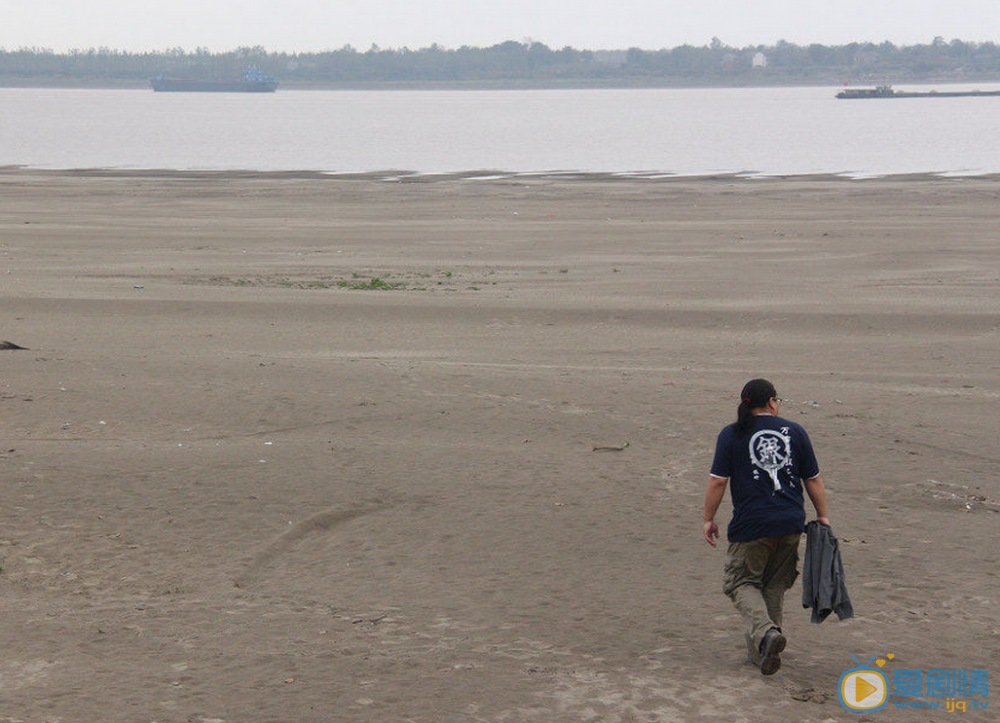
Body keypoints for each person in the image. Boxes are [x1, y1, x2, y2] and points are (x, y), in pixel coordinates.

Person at [702, 378, 830, 675]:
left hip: (752, 524)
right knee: (774, 584)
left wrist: (708, 518)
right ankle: (763, 651)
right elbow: (812, 478)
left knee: (740, 582)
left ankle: (767, 634)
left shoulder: (732, 434)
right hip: (789, 521)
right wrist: (822, 515)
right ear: (772, 401)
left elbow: (718, 481)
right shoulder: (794, 431)